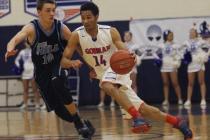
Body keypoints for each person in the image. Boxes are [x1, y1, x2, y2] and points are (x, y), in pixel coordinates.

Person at [61, 2, 192, 139]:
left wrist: (130, 54)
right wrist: (72, 62)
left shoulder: (110, 31)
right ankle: (178, 122)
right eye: (83, 18)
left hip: (117, 68)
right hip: (103, 74)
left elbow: (122, 48)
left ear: (97, 17)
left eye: (89, 17)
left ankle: (137, 118)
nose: (85, 21)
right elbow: (64, 60)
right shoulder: (77, 35)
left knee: (106, 85)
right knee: (145, 109)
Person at [5, 0, 94, 139]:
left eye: (53, 10)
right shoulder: (32, 28)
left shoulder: (60, 27)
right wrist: (10, 49)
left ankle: (78, 123)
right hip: (41, 73)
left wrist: (91, 66)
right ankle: (79, 121)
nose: (52, 13)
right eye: (48, 10)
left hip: (59, 65)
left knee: (57, 80)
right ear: (38, 12)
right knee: (58, 110)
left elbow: (77, 46)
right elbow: (16, 38)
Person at [183, 27, 208, 107]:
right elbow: (179, 50)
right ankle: (188, 100)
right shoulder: (186, 42)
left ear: (196, 33)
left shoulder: (200, 42)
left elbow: (208, 46)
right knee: (190, 83)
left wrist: (205, 55)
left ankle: (203, 99)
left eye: (193, 32)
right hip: (191, 64)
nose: (191, 33)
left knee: (201, 82)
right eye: (190, 32)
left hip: (199, 63)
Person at [158, 30, 183, 106]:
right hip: (164, 66)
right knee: (165, 83)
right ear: (166, 36)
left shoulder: (176, 45)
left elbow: (179, 55)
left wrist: (177, 62)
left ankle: (180, 99)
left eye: (172, 35)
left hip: (172, 66)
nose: (172, 36)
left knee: (175, 83)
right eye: (170, 35)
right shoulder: (161, 45)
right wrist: (159, 61)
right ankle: (166, 100)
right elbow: (158, 55)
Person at [14, 41, 41, 109]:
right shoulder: (22, 52)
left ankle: (37, 104)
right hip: (25, 73)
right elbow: (16, 60)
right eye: (26, 43)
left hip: (32, 72)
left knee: (35, 89)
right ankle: (25, 104)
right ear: (24, 44)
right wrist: (19, 66)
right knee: (25, 89)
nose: (28, 44)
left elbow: (39, 60)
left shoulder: (34, 51)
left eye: (29, 43)